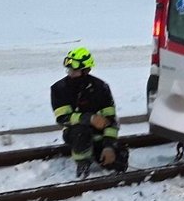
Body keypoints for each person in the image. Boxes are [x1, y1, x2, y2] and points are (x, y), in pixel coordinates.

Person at [51, 47, 128, 178]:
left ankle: (103, 152)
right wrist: (89, 118)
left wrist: (109, 146)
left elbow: (111, 119)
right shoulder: (59, 89)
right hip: (75, 133)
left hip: (99, 134)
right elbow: (63, 118)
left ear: (86, 70)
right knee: (81, 131)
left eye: (74, 70)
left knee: (119, 163)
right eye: (69, 70)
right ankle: (83, 164)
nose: (70, 74)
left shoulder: (101, 87)